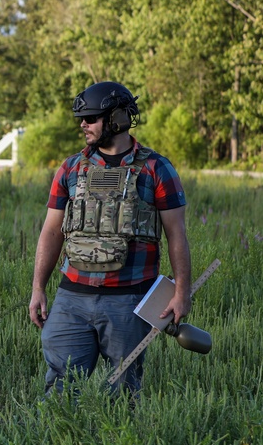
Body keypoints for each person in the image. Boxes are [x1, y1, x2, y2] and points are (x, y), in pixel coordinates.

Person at [28, 81, 192, 397]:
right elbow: (51, 231)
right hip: (71, 299)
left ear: (116, 118)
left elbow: (177, 234)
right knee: (60, 388)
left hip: (129, 301)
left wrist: (182, 292)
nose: (83, 125)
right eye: (82, 118)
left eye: (90, 118)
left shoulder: (156, 168)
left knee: (123, 392)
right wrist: (38, 288)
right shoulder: (71, 168)